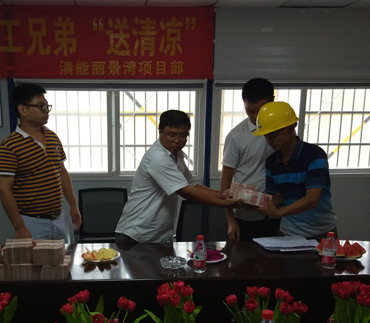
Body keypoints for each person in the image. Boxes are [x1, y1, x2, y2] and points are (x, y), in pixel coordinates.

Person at [115, 110, 240, 246]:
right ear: (160, 132)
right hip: (135, 235)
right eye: (172, 134)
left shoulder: (176, 155)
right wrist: (224, 204)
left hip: (157, 235)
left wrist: (222, 195)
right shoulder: (158, 157)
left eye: (183, 135)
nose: (177, 140)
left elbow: (192, 185)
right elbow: (186, 192)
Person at [0, 83, 81, 241]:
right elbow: (4, 189)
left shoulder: (52, 137)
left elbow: (62, 172)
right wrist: (19, 227)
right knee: (34, 258)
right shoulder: (9, 146)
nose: (46, 110)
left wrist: (73, 205)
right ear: (23, 110)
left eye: (47, 106)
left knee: (63, 256)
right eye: (41, 106)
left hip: (59, 218)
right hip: (32, 222)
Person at [253, 101, 337, 240]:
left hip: (322, 233)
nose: (269, 140)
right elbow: (278, 198)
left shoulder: (315, 155)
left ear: (291, 128)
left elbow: (312, 199)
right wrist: (250, 200)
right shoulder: (272, 162)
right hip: (288, 232)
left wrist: (279, 213)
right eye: (266, 136)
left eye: (273, 135)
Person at [220, 78, 280, 241]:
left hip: (277, 213)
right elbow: (225, 183)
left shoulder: (283, 131)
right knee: (243, 256)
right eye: (250, 110)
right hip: (245, 217)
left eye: (260, 110)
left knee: (274, 256)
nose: (255, 116)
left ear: (272, 100)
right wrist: (230, 221)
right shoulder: (236, 136)